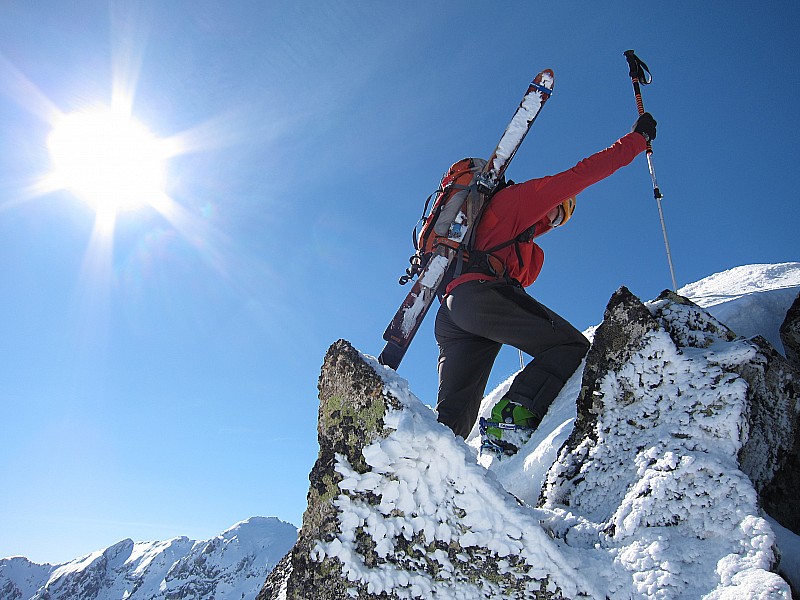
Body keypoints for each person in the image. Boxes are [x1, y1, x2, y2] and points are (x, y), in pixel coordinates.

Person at [435, 112, 657, 443]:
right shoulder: (520, 201)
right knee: (570, 345)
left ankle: (414, 469)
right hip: (479, 300)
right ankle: (508, 422)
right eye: (560, 210)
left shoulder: (502, 234)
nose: (555, 219)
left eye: (561, 218)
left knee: (453, 420)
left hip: (453, 309)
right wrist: (636, 142)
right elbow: (582, 174)